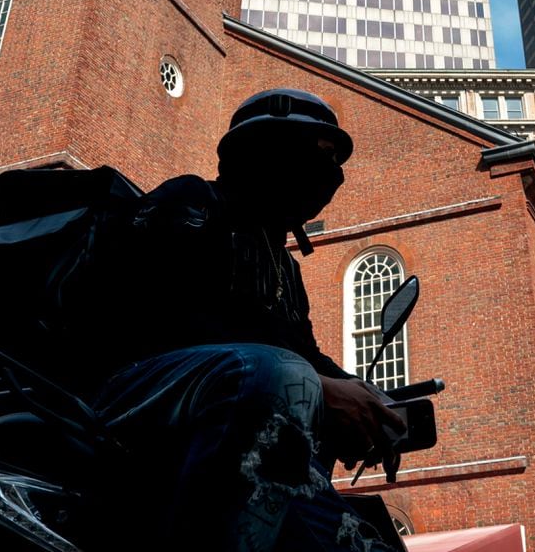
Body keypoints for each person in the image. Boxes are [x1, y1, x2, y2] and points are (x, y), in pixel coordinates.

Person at [83, 88, 407, 550]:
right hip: (133, 401)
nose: (328, 174)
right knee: (276, 372)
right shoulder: (192, 202)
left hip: (246, 416)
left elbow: (306, 352)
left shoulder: (285, 266)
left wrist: (370, 402)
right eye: (314, 154)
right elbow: (156, 318)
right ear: (262, 152)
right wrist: (316, 386)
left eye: (334, 161)